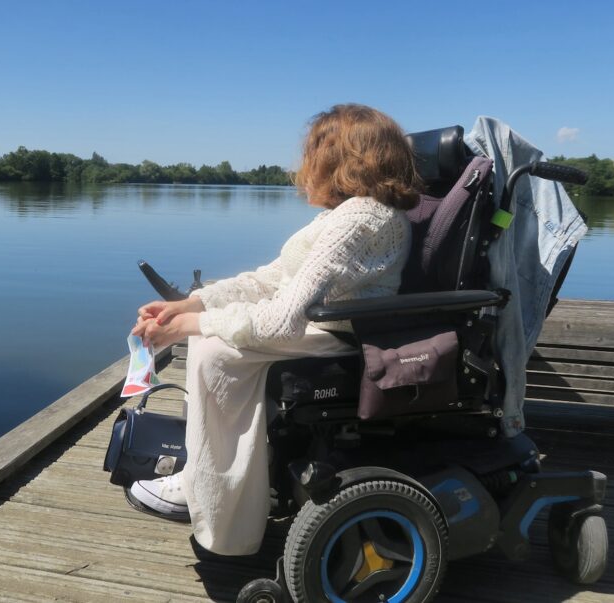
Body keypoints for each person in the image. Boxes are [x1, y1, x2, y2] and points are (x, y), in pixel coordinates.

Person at [130, 104, 423, 556]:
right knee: (209, 337)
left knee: (215, 350)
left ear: (338, 159)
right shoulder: (345, 215)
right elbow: (270, 278)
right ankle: (209, 479)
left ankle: (216, 504)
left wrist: (195, 324)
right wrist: (192, 303)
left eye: (311, 154)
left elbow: (282, 322)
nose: (301, 166)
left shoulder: (361, 218)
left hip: (343, 336)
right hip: (323, 325)